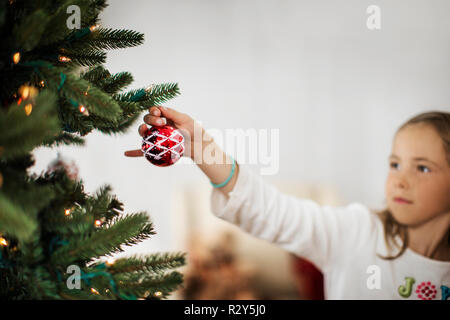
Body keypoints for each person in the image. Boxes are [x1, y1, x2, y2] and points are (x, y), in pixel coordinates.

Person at [125, 107, 450, 300]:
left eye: (422, 167)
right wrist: (204, 149)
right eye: (395, 164)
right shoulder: (356, 231)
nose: (400, 180)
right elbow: (270, 212)